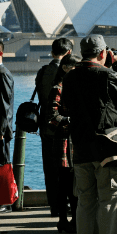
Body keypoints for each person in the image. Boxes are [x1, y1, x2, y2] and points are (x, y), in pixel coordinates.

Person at [62, 35, 117, 234]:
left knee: (85, 201)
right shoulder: (107, 74)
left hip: (81, 148)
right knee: (111, 198)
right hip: (108, 148)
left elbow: (66, 105)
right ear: (103, 53)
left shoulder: (71, 77)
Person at [35, 37, 73, 217]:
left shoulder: (43, 71)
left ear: (52, 52)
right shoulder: (69, 72)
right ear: (69, 53)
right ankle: (69, 205)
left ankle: (55, 206)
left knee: (49, 169)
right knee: (67, 169)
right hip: (64, 129)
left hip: (45, 127)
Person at [47, 53, 80, 233]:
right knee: (65, 183)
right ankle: (63, 219)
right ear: (65, 67)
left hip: (75, 139)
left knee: (75, 182)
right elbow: (52, 116)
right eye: (73, 67)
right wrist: (70, 120)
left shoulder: (78, 86)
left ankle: (75, 219)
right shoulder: (58, 88)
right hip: (64, 140)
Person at [0, 39, 14, 214]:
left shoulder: (2, 74)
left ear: (0, 53)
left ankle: (5, 202)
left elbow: (5, 106)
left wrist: (0, 131)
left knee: (2, 164)